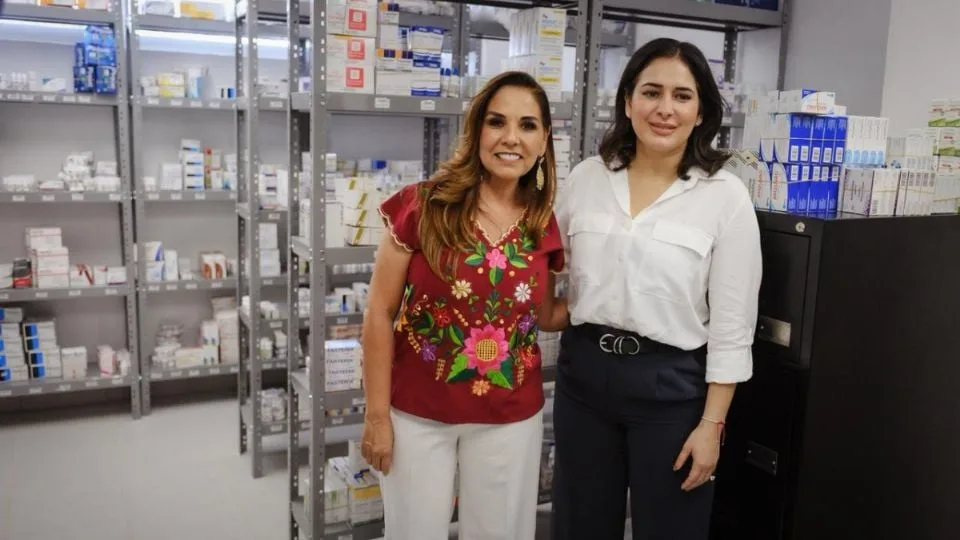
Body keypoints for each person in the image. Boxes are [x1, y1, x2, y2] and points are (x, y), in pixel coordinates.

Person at [550, 38, 762, 540]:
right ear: (628, 101)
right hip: (584, 382)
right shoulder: (587, 178)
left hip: (671, 394)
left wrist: (712, 426)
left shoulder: (724, 197)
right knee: (579, 526)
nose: (665, 109)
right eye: (651, 92)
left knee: (672, 529)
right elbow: (543, 265)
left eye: (682, 96)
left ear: (702, 110)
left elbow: (733, 326)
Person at [360, 71, 567, 540]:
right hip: (417, 414)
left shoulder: (541, 222)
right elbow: (379, 313)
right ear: (477, 131)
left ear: (545, 139)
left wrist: (615, 299)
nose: (511, 138)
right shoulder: (423, 205)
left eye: (528, 125)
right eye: (497, 122)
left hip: (510, 418)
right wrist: (376, 417)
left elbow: (545, 315)